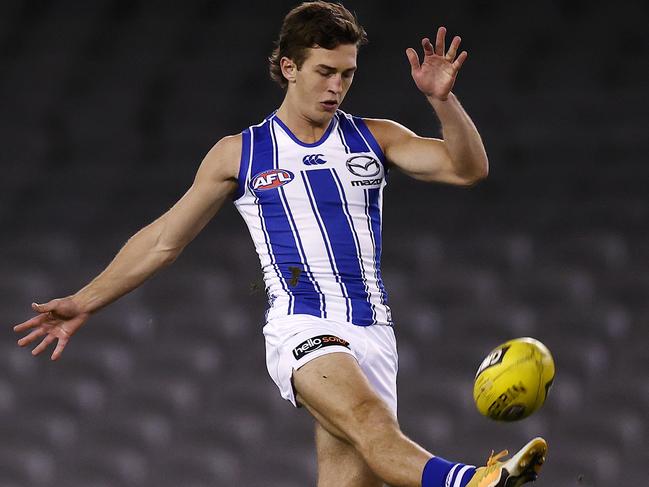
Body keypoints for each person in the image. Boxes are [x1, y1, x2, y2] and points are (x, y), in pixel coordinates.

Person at [13, 2, 547, 486]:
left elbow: (468, 169)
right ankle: (475, 482)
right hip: (303, 327)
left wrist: (443, 100)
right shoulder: (239, 153)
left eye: (347, 74)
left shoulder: (376, 137)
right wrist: (84, 300)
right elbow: (162, 241)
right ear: (289, 68)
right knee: (371, 421)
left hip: (374, 333)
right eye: (324, 72)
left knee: (365, 452)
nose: (335, 87)